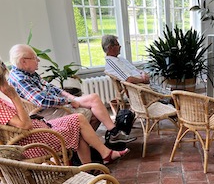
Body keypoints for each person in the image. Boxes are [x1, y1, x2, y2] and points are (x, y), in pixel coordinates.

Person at [0, 59, 129, 165]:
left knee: (78, 125)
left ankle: (89, 169)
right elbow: (25, 125)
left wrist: (70, 99)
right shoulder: (2, 103)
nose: (7, 82)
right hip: (34, 141)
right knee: (78, 120)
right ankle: (105, 154)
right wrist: (14, 97)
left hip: (38, 128)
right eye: (5, 79)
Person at [7, 44, 136, 145]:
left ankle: (108, 135)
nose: (38, 60)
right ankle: (100, 138)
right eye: (35, 58)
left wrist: (71, 97)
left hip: (56, 105)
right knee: (93, 111)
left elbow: (51, 87)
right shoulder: (20, 79)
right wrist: (67, 101)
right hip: (46, 112)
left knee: (94, 99)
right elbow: (42, 101)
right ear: (24, 61)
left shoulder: (29, 73)